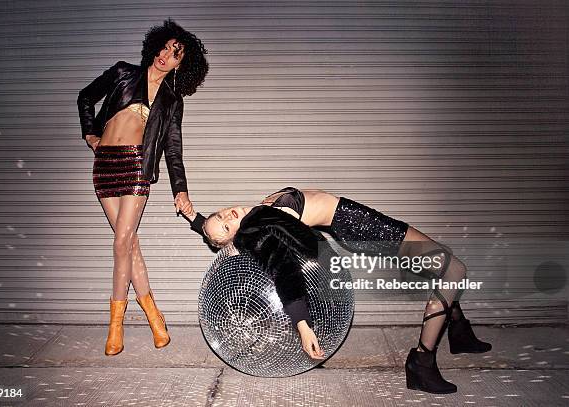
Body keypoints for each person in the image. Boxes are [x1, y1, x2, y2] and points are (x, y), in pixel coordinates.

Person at [187, 187, 491, 394]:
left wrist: (197, 220)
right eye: (225, 226)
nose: (228, 217)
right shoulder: (260, 226)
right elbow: (284, 270)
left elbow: (215, 233)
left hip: (353, 221)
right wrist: (303, 326)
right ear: (236, 239)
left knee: (436, 265)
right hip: (361, 226)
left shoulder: (251, 217)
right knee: (453, 269)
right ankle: (421, 362)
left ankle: (459, 331)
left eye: (222, 213)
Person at [77, 19, 208, 356]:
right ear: (156, 46)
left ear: (182, 65)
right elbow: (85, 97)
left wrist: (181, 189)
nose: (166, 55)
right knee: (130, 244)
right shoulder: (123, 72)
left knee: (121, 242)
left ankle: (115, 326)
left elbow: (173, 149)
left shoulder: (171, 101)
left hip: (137, 167)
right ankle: (153, 314)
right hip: (105, 166)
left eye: (175, 54)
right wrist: (90, 133)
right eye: (165, 47)